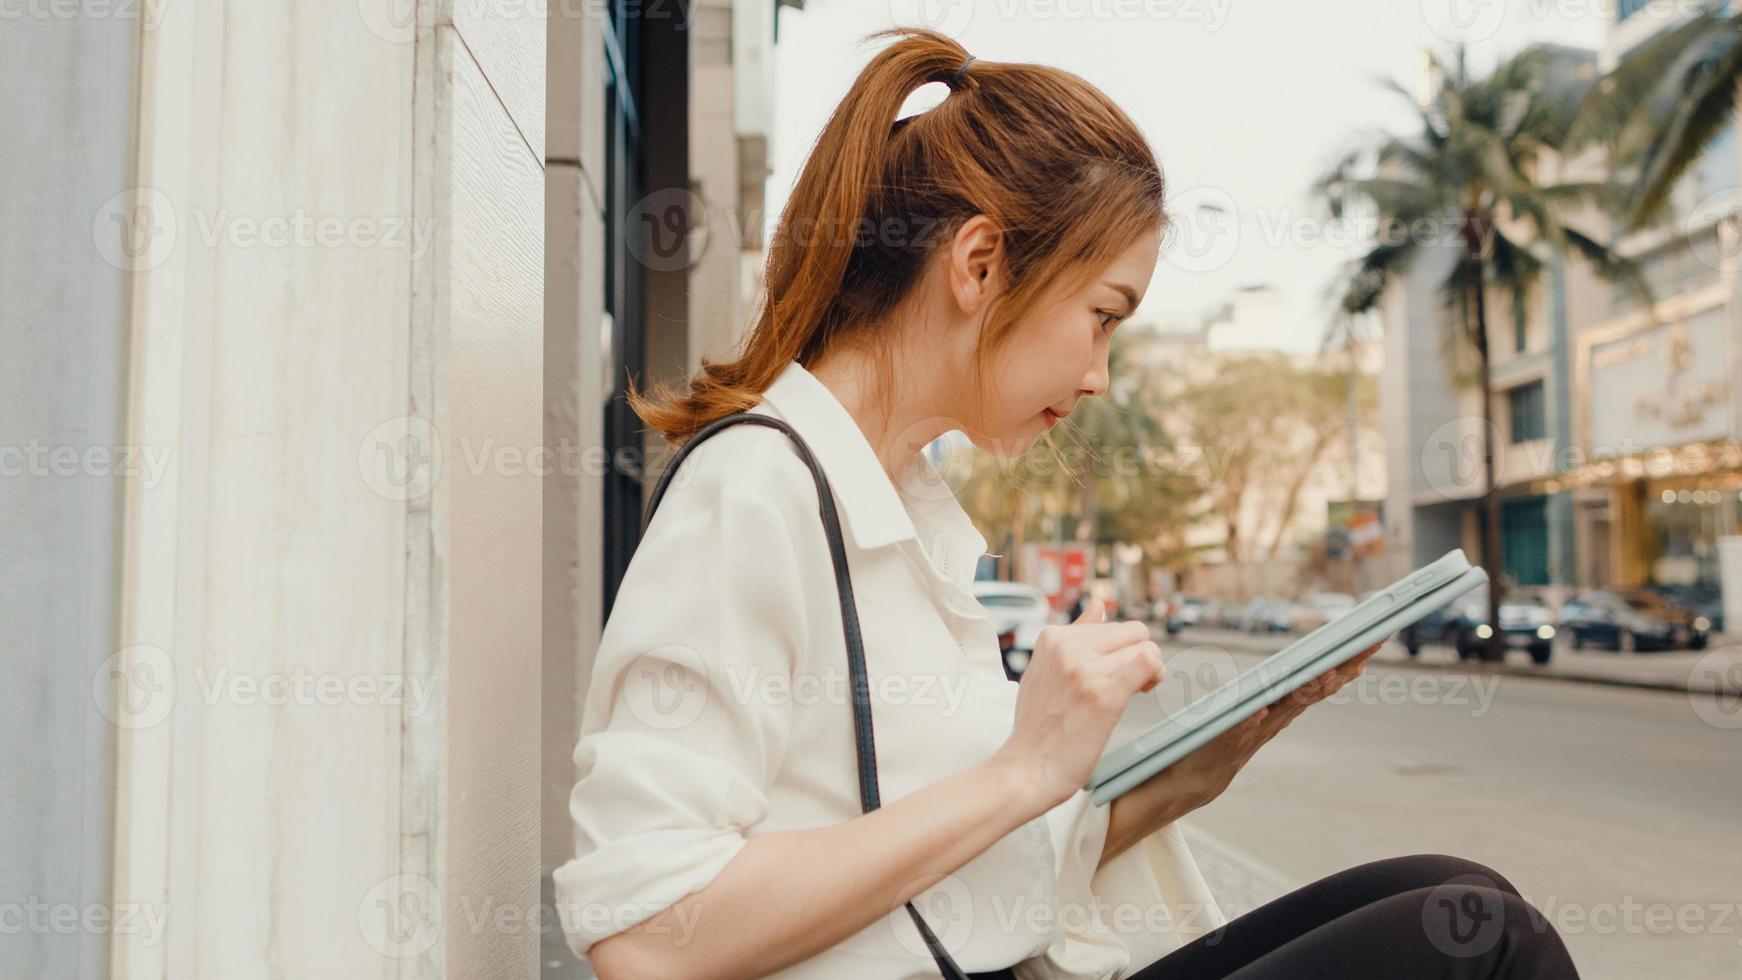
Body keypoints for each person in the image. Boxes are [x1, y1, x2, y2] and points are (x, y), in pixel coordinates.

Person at [553, 26, 1579, 980]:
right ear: (979, 262)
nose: (1098, 376)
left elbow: (941, 875)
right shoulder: (754, 493)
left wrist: (1183, 772)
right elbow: (642, 932)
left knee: (1465, 892)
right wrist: (1021, 769)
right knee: (1487, 948)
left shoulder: (898, 507)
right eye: (1100, 317)